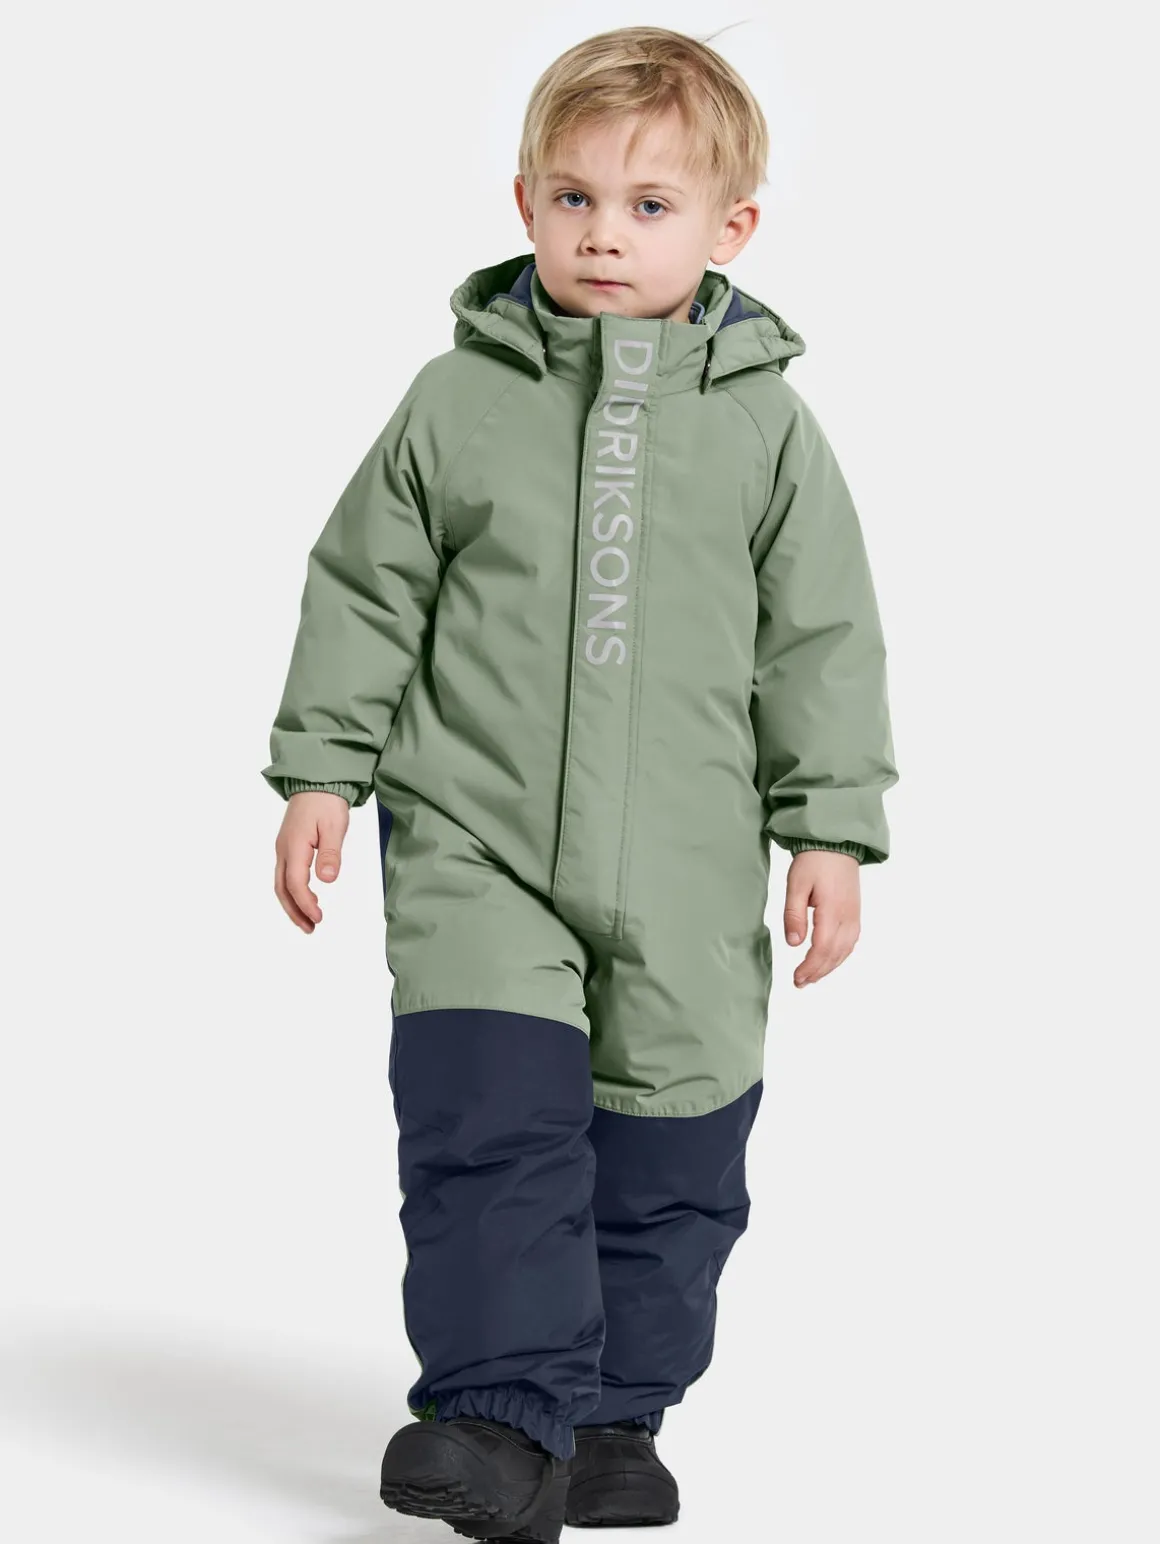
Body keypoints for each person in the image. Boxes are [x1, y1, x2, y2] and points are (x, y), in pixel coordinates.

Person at [261, 24, 897, 1543]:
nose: (605, 233)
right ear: (526, 204)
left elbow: (823, 638)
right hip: (473, 840)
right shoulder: (456, 399)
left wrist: (829, 827)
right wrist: (323, 769)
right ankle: (496, 1417)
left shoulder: (765, 430)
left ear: (731, 228)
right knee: (485, 1121)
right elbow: (366, 587)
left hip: (689, 861)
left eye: (649, 205)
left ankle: (613, 1416)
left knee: (672, 1154)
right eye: (574, 197)